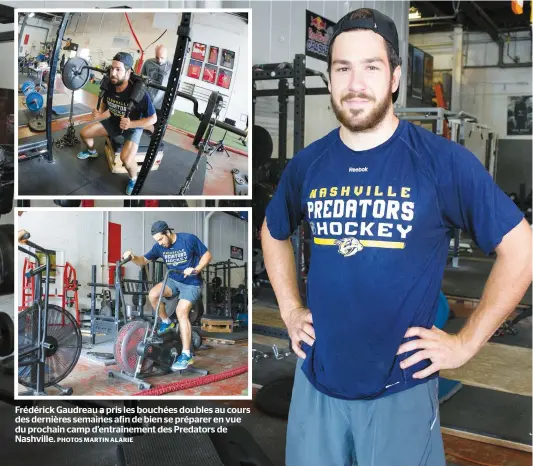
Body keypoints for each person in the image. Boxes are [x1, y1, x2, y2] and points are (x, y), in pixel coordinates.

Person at [261, 8, 532, 466]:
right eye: (342, 68)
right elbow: (273, 233)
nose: (355, 82)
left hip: (400, 390)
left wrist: (464, 344)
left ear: (394, 78)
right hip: (316, 381)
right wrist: (289, 309)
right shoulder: (307, 165)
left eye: (371, 66)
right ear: (329, 79)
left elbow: (522, 251)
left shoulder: (442, 162)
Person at [122, 220, 212, 371]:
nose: (160, 243)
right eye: (157, 241)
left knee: (181, 312)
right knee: (153, 295)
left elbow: (207, 255)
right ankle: (166, 321)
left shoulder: (188, 239)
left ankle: (186, 355)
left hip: (191, 283)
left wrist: (196, 269)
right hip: (173, 280)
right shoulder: (159, 246)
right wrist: (132, 257)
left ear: (168, 232)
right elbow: (143, 261)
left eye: (161, 239)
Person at [77, 52, 157, 195]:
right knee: (84, 133)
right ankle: (91, 151)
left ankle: (133, 178)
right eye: (112, 68)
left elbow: (153, 119)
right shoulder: (109, 85)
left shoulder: (140, 93)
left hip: (133, 127)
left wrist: (131, 125)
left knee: (126, 159)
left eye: (118, 69)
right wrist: (100, 113)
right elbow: (105, 105)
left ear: (128, 72)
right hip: (114, 122)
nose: (113, 73)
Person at [141, 44, 172, 127]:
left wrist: (171, 107)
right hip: (147, 101)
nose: (159, 60)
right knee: (141, 127)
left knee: (156, 131)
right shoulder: (148, 63)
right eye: (157, 57)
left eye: (162, 58)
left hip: (160, 105)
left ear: (166, 56)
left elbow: (175, 88)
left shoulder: (171, 67)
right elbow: (141, 80)